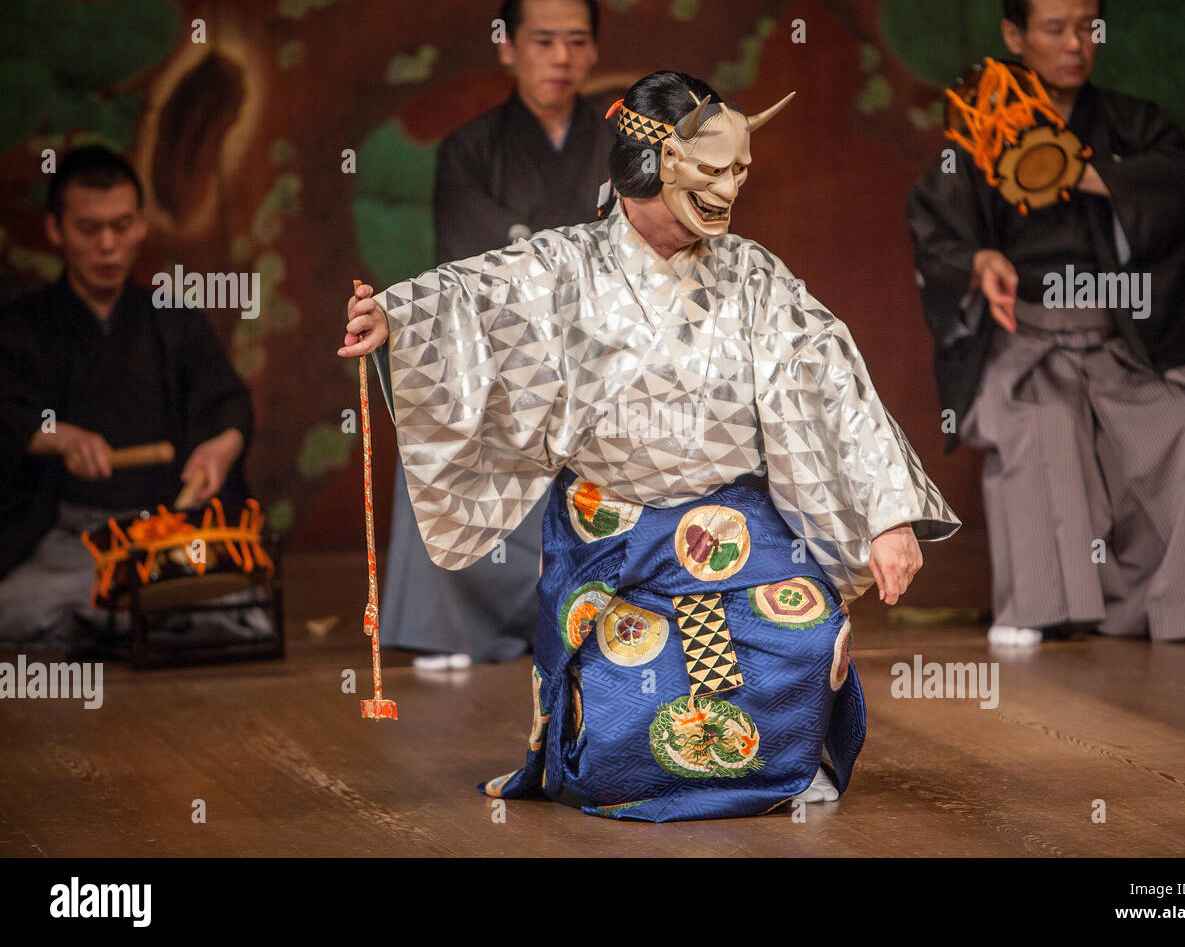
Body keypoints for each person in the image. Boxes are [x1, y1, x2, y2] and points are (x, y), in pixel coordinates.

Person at [342, 71, 960, 821]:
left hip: (735, 521)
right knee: (625, 675)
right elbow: (473, 298)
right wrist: (397, 321)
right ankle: (626, 771)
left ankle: (783, 771)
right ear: (652, 164)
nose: (729, 189)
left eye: (740, 171)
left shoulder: (754, 277)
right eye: (713, 169)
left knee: (804, 627)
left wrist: (886, 513)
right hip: (614, 526)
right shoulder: (564, 266)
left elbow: (833, 386)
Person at [907, 0, 1185, 645]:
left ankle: (1167, 610)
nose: (1076, 44)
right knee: (1040, 426)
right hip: (1026, 342)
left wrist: (1080, 172)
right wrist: (981, 260)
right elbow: (936, 231)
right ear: (1015, 34)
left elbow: (1180, 183)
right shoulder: (981, 127)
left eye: (1087, 27)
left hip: (1121, 341)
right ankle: (1038, 609)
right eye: (1055, 28)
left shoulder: (1134, 124)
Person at [380, 0, 614, 670]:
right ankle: (452, 624)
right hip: (504, 359)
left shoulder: (620, 149)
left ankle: (599, 600)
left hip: (601, 358)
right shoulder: (469, 150)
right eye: (543, 41)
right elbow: (474, 273)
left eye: (576, 41)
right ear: (508, 47)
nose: (561, 58)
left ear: (594, 50)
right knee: (436, 401)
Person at [0, 145, 256, 652]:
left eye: (122, 226)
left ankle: (108, 621)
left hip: (164, 531)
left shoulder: (174, 321)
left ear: (141, 225)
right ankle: (133, 619)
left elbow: (228, 404)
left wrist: (220, 449)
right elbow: (6, 412)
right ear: (56, 230)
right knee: (15, 606)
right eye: (90, 229)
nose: (109, 246)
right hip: (70, 539)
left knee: (241, 613)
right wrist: (56, 436)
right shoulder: (23, 327)